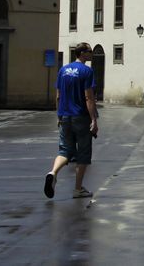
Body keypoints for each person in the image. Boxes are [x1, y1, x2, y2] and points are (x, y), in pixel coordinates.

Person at [44, 42, 98, 200]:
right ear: (82, 53)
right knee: (83, 154)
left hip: (65, 116)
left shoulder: (62, 70)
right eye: (89, 51)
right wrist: (94, 119)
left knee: (65, 151)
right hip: (81, 116)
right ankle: (78, 189)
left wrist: (59, 115)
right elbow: (89, 97)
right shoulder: (87, 71)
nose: (91, 54)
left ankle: (52, 173)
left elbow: (58, 95)